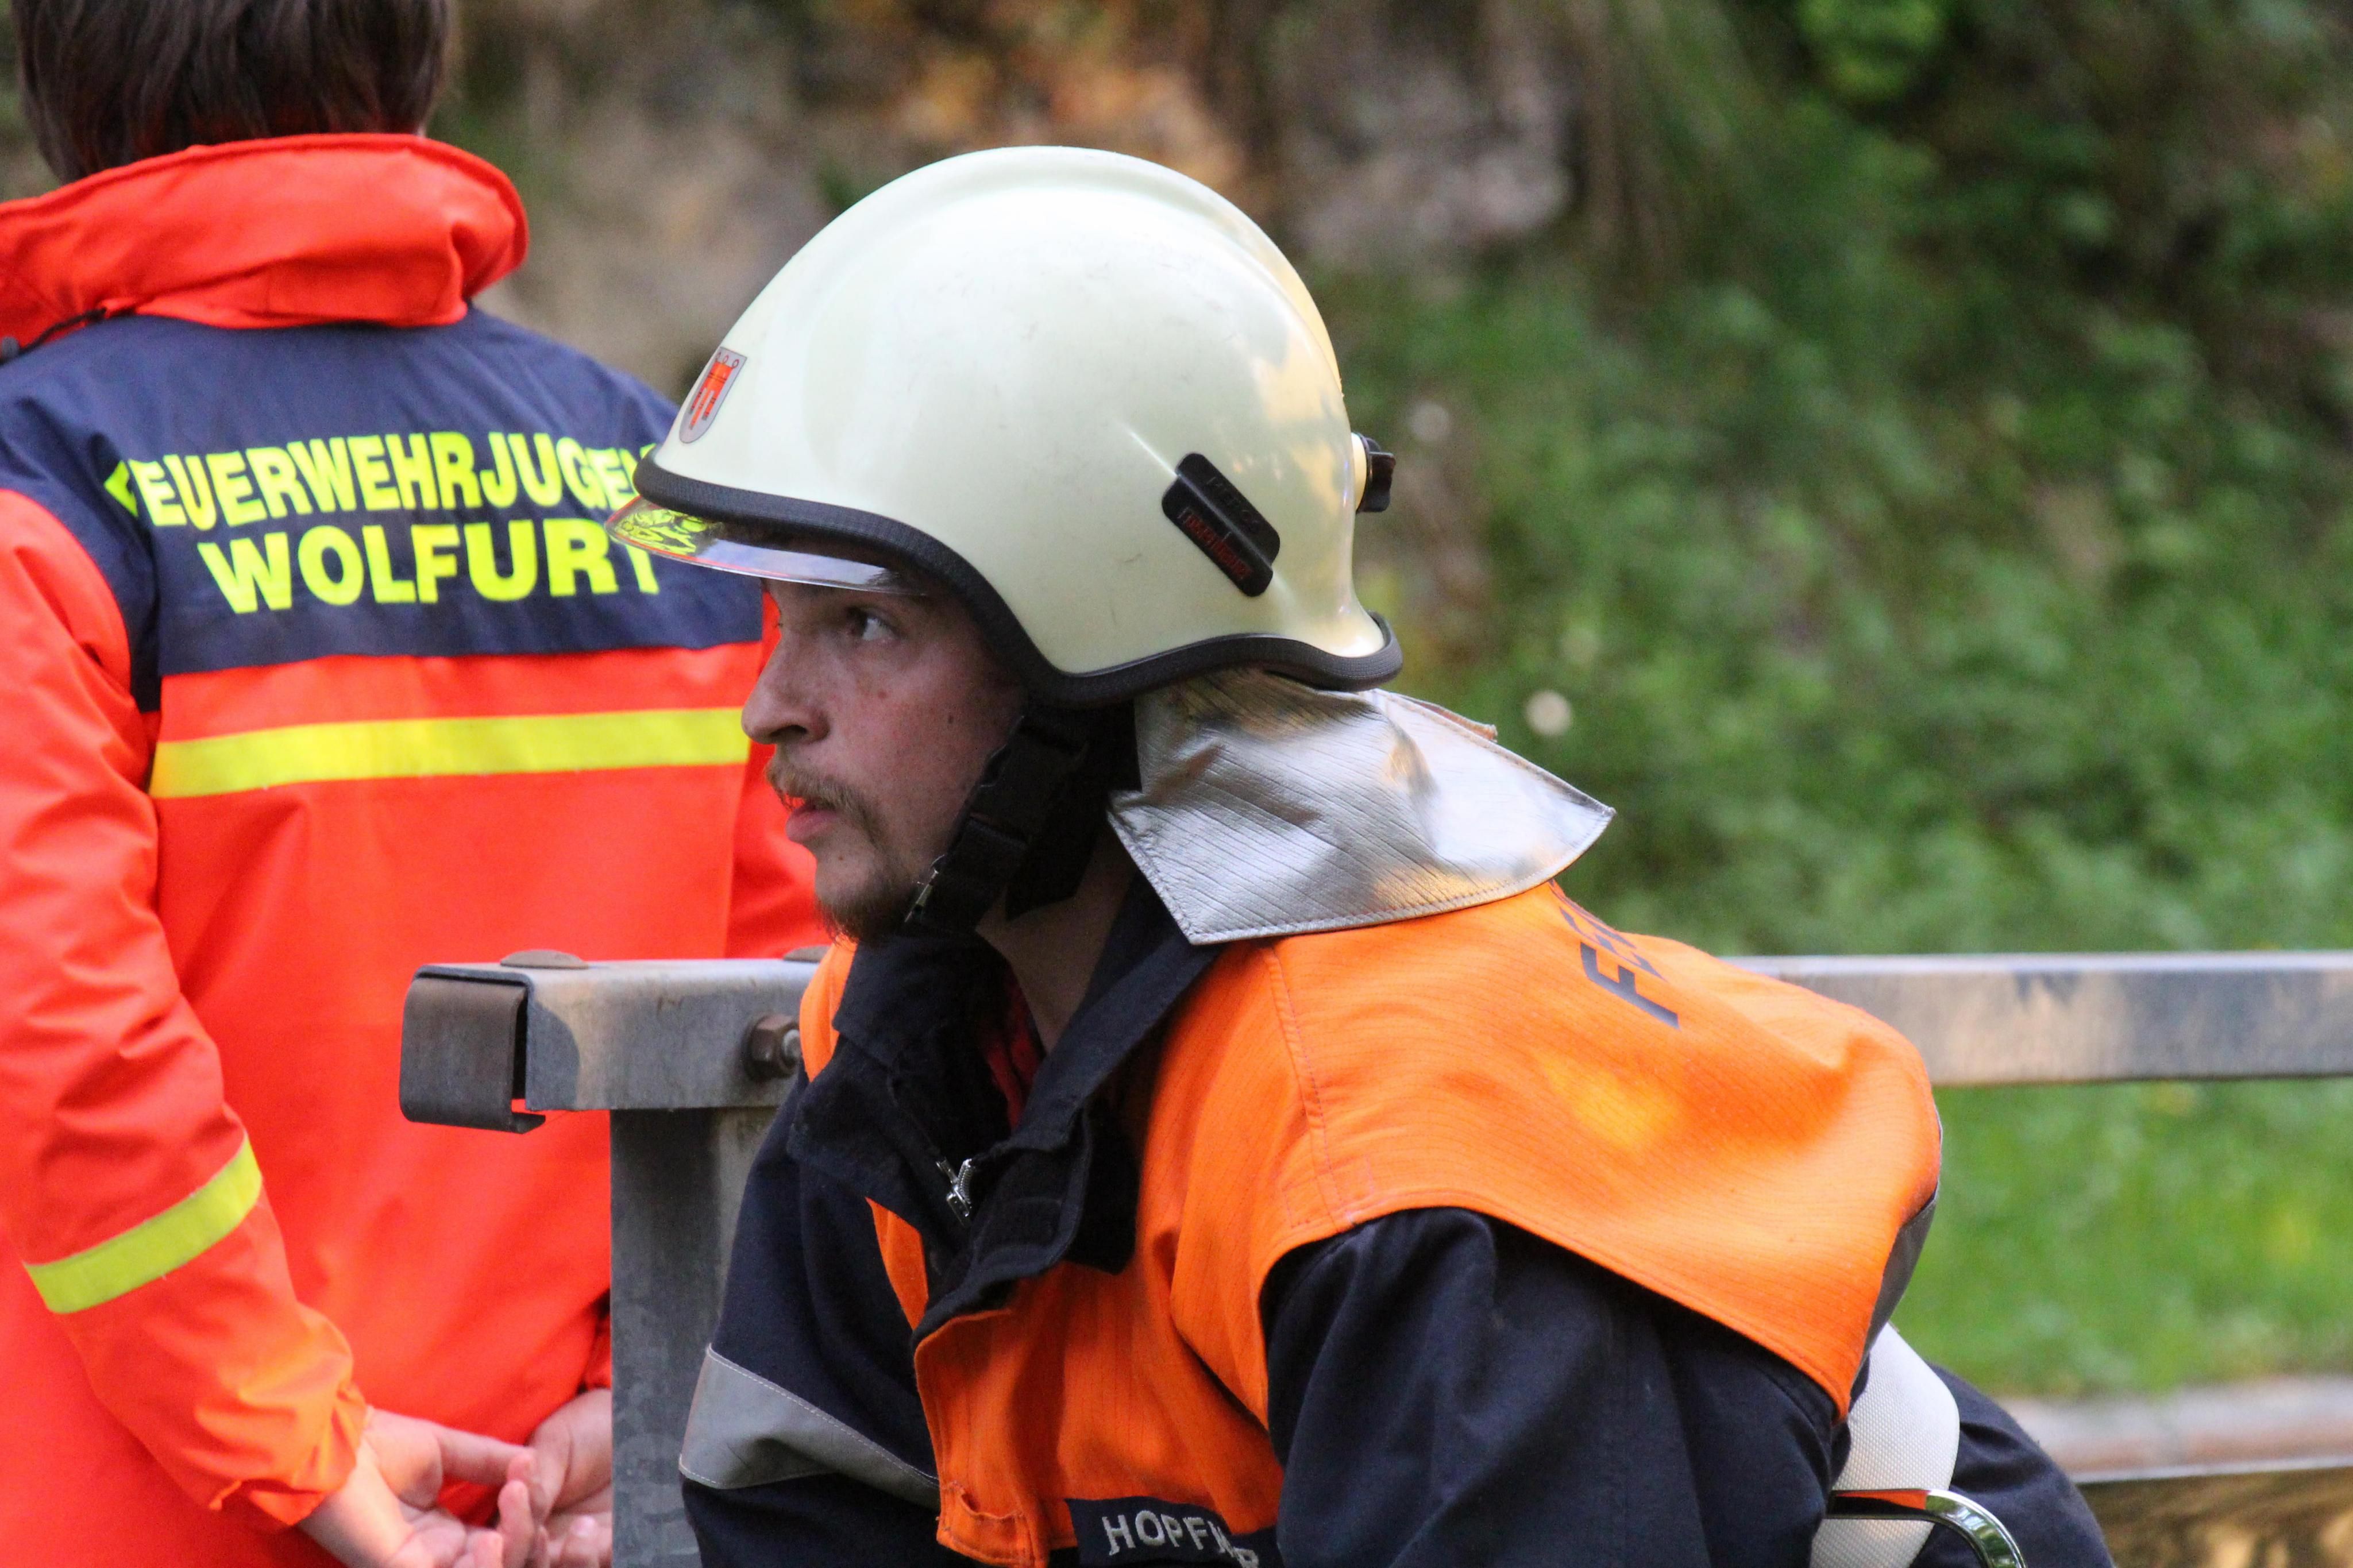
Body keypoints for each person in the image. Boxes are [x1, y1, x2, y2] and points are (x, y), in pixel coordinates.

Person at [604, 145, 2116, 1568]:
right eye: (780, 622)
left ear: (1092, 654)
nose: (768, 705)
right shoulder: (908, 1067)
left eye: (865, 626)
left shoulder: (1401, 1148)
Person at [0, 3, 826, 1565]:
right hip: (558, 1504)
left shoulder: (42, 483)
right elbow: (796, 1010)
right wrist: (644, 1384)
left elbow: (61, 1048)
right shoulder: (662, 491)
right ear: (417, 61)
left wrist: (298, 1449)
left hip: (133, 1511)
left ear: (61, 79)